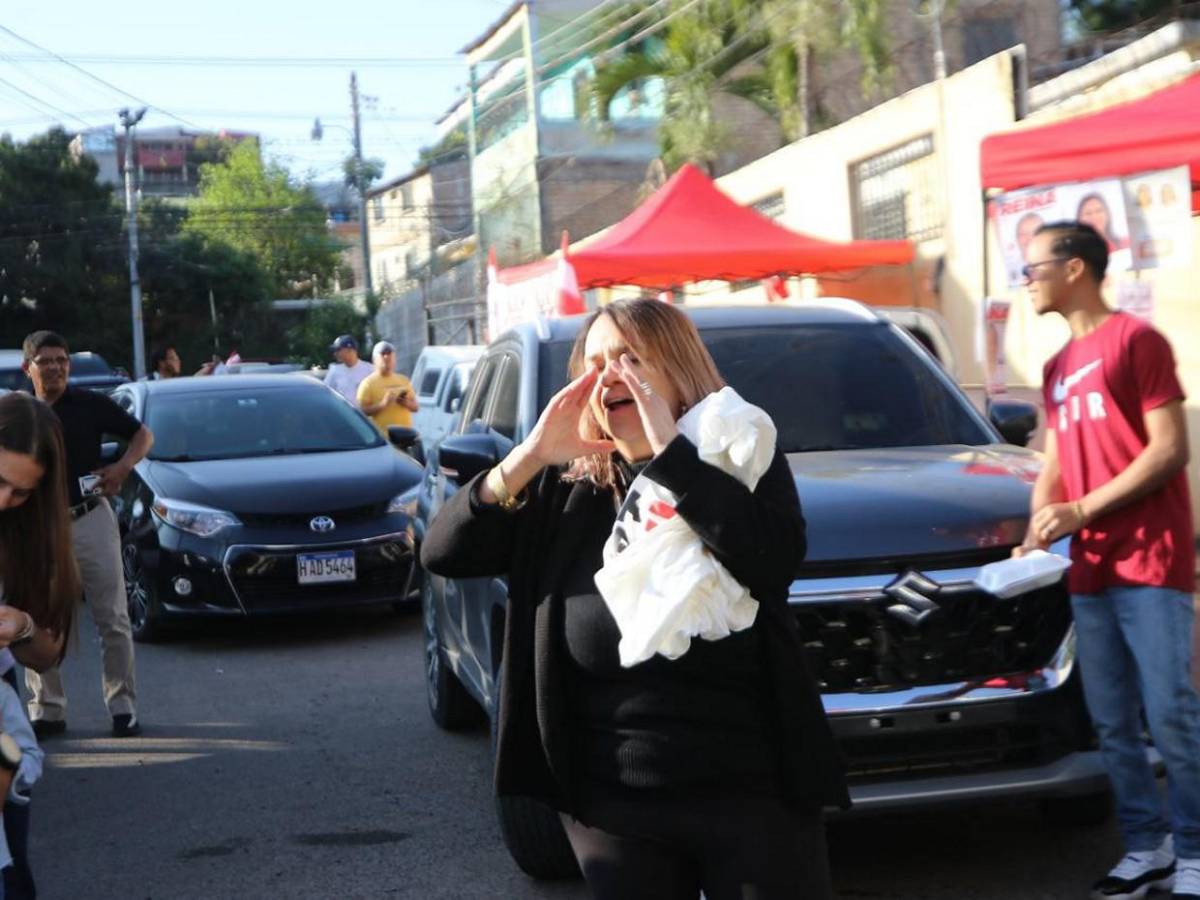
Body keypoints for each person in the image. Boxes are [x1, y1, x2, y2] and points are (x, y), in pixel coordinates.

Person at [421, 299, 847, 899]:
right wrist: (530, 455)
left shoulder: (736, 456)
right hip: (612, 805)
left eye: (629, 357)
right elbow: (443, 553)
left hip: (752, 792)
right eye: (594, 363)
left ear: (678, 371)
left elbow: (771, 561)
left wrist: (672, 457)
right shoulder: (565, 487)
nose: (610, 375)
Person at [1017, 222, 1200, 900]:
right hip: (1090, 570)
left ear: (1074, 269)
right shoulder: (1058, 366)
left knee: (1171, 713)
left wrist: (1081, 513)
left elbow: (1168, 450)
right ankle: (1146, 847)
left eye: (1033, 266)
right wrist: (1039, 525)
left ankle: (1194, 852)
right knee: (1113, 721)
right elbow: (1057, 459)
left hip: (1150, 563)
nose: (1026, 279)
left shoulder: (1138, 342)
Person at [20, 331, 153, 740]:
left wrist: (122, 469)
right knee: (39, 619)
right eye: (46, 361)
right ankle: (48, 709)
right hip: (38, 528)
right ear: (29, 368)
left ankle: (122, 706)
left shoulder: (91, 405)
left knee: (112, 617)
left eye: (62, 359)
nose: (56, 367)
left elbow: (142, 435)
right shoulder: (17, 413)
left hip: (90, 518)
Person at [0, 391, 81, 899]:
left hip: (1, 716)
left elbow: (49, 652)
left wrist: (23, 626)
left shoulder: (30, 534)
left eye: (20, 492)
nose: (3, 501)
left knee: (10, 868)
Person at [356, 341, 418, 436]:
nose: (386, 357)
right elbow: (361, 412)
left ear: (394, 359)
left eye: (390, 355)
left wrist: (405, 402)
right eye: (383, 355)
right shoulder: (368, 383)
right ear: (374, 360)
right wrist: (382, 404)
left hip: (406, 437)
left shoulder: (403, 380)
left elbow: (415, 407)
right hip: (383, 438)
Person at [324, 334, 373, 404]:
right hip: (344, 414)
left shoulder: (369, 369)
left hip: (364, 414)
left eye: (338, 350)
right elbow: (326, 393)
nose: (335, 354)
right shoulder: (334, 371)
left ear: (350, 350)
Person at [144, 345, 216, 380]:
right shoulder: (145, 384)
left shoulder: (175, 382)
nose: (178, 361)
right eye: (173, 359)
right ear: (162, 363)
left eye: (177, 358)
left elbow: (188, 386)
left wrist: (204, 372)